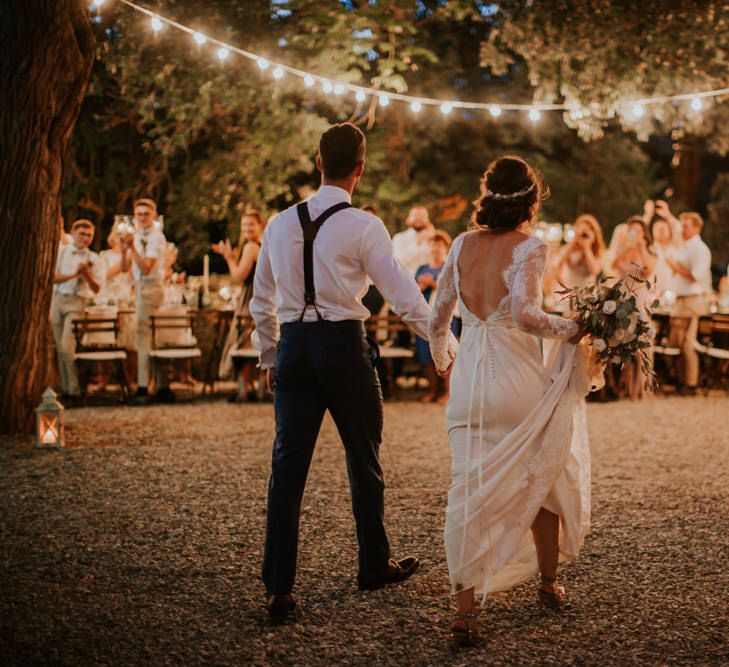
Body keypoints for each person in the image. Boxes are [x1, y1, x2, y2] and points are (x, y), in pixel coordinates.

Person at [250, 123, 456, 623]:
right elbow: (404, 294)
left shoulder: (278, 224)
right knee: (363, 459)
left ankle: (279, 586)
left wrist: (271, 356)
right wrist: (444, 344)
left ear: (318, 162)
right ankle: (372, 564)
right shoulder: (365, 226)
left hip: (296, 348)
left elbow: (262, 299)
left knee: (287, 468)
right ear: (359, 169)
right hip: (343, 348)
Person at [429, 156, 590, 647]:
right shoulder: (530, 248)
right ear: (530, 199)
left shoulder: (459, 245)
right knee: (543, 471)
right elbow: (524, 315)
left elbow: (438, 317)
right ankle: (547, 582)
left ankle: (465, 611)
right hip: (518, 380)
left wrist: (444, 358)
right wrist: (574, 328)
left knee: (468, 487)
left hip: (470, 383)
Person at [655, 203, 712, 395]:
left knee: (687, 344)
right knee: (677, 343)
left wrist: (674, 266)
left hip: (692, 300)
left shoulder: (700, 249)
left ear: (696, 228)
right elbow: (675, 228)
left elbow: (696, 275)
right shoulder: (684, 245)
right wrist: (668, 214)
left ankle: (690, 383)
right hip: (680, 299)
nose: (683, 229)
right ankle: (681, 380)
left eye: (687, 225)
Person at [120, 198, 172, 403]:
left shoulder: (157, 237)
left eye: (145, 214)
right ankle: (161, 386)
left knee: (143, 336)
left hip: (151, 288)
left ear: (153, 215)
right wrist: (125, 249)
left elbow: (146, 268)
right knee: (148, 336)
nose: (141, 217)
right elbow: (125, 268)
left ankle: (143, 388)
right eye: (138, 214)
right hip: (140, 288)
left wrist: (132, 247)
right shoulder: (137, 235)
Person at [212, 209, 264, 401]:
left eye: (251, 224)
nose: (247, 229)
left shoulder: (251, 246)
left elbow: (239, 276)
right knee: (256, 340)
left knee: (242, 339)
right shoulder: (264, 245)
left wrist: (227, 258)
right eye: (244, 225)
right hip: (261, 296)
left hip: (250, 297)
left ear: (261, 225)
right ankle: (256, 387)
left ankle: (244, 390)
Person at [50, 219, 104, 399]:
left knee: (67, 347)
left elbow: (97, 288)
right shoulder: (61, 252)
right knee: (59, 348)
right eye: (82, 234)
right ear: (73, 233)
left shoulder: (94, 258)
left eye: (89, 235)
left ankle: (73, 390)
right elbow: (52, 277)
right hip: (57, 299)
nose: (85, 238)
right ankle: (65, 389)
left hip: (77, 302)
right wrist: (73, 275)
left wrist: (86, 275)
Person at [612, 216, 658, 399]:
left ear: (644, 233)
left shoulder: (649, 251)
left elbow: (647, 271)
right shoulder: (622, 248)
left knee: (641, 342)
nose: (634, 234)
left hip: (640, 298)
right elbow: (614, 266)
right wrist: (625, 248)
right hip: (623, 296)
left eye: (638, 230)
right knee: (621, 340)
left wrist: (640, 247)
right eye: (632, 230)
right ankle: (622, 385)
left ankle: (640, 387)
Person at [414, 230, 453, 403]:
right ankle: (432, 390)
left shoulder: (449, 267)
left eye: (439, 245)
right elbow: (413, 291)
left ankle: (448, 392)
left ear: (445, 247)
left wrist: (433, 283)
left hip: (446, 317)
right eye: (432, 245)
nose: (435, 248)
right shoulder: (422, 268)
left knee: (447, 352)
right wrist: (421, 285)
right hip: (425, 317)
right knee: (426, 355)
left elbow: (453, 289)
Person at [557, 213, 605, 290]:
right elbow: (558, 266)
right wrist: (572, 243)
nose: (583, 236)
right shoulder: (571, 247)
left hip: (587, 291)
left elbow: (595, 271)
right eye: (581, 231)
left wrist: (587, 248)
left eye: (585, 233)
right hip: (569, 289)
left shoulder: (597, 251)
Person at [391, 205, 435, 276]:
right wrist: (418, 242)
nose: (419, 218)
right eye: (416, 215)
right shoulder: (399, 238)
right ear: (408, 219)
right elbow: (398, 262)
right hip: (406, 282)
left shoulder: (434, 239)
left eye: (422, 216)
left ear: (428, 220)